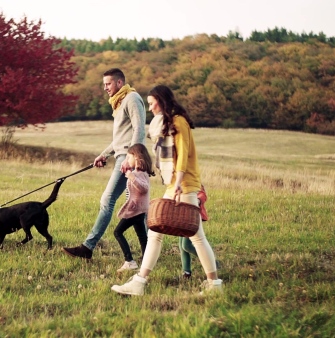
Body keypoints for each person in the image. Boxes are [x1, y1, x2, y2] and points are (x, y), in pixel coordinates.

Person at [111, 85, 223, 296]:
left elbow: (183, 155)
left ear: (162, 102)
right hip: (176, 183)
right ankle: (212, 284)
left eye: (152, 103)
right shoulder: (167, 124)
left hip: (184, 184)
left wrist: (178, 182)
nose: (151, 108)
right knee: (164, 233)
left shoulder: (178, 122)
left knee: (187, 236)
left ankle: (141, 282)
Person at [63, 68, 146, 260]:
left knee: (107, 200)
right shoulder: (119, 103)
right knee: (135, 207)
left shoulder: (132, 98)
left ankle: (87, 247)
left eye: (108, 84)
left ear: (119, 83)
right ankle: (150, 248)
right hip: (122, 156)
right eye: (104, 84)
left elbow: (139, 131)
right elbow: (120, 138)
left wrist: (129, 158)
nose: (105, 88)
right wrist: (104, 154)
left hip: (128, 158)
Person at [113, 144, 154, 272]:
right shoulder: (140, 173)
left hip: (135, 211)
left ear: (136, 157)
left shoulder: (139, 173)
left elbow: (144, 188)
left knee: (117, 232)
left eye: (129, 157)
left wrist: (131, 176)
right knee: (142, 235)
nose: (127, 159)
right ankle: (148, 260)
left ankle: (129, 261)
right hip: (139, 210)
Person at [180, 185, 209, 279]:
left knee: (186, 245)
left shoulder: (193, 180)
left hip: (193, 216)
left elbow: (202, 195)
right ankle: (186, 273)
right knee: (181, 246)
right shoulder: (178, 182)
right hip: (181, 216)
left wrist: (198, 200)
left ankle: (211, 261)